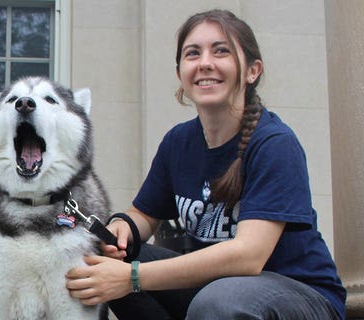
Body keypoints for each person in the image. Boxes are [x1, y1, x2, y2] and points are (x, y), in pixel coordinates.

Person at [65, 9, 346, 320]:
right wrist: (122, 229)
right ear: (181, 74)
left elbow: (248, 257)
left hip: (300, 297)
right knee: (101, 262)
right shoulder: (178, 142)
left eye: (221, 50)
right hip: (221, 291)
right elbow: (143, 214)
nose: (205, 63)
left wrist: (132, 277)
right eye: (193, 53)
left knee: (216, 300)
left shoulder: (275, 143)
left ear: (252, 71)